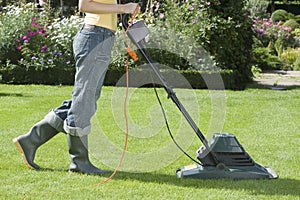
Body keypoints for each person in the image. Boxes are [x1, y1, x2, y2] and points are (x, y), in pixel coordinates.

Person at [13, 0, 140, 175]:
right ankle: (79, 162)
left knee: (83, 98)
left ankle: (30, 140)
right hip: (95, 37)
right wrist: (123, 8)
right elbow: (85, 5)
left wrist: (127, 9)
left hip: (100, 37)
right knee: (84, 102)